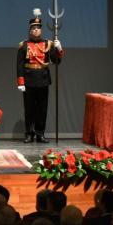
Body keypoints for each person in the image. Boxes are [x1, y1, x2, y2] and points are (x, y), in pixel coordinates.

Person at [16, 8, 64, 143]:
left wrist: (59, 48)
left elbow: (56, 61)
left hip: (43, 80)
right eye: (34, 28)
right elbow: (19, 65)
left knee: (42, 109)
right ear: (30, 30)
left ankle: (40, 133)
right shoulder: (23, 45)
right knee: (29, 109)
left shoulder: (48, 44)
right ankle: (29, 133)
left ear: (41, 30)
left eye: (38, 28)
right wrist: (21, 82)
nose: (36, 30)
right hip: (29, 80)